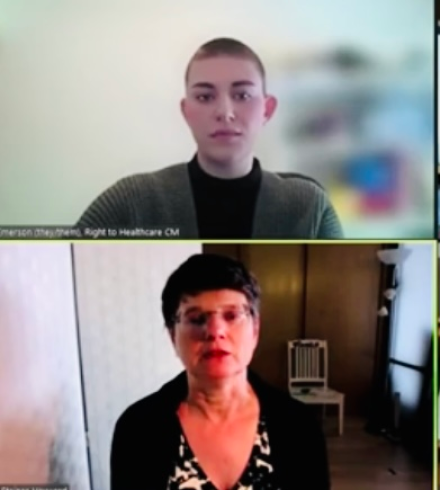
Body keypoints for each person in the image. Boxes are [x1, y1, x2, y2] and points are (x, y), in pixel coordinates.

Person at [76, 38, 343, 239]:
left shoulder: (310, 207)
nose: (225, 113)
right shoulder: (131, 202)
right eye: (205, 97)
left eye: (242, 95)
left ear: (267, 109)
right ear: (186, 111)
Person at [110, 254, 330, 490]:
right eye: (196, 319)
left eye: (232, 315)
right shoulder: (137, 430)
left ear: (255, 330)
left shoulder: (299, 426)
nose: (215, 332)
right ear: (173, 335)